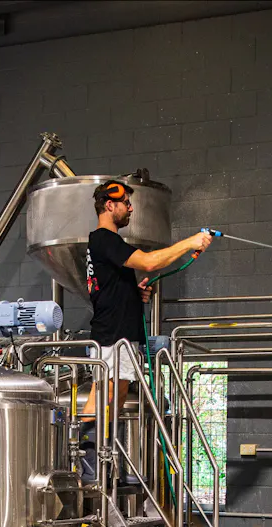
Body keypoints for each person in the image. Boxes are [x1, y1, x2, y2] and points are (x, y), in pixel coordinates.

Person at [80, 179, 213, 479]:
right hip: (112, 334)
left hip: (122, 333)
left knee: (118, 392)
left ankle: (102, 462)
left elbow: (109, 284)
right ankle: (89, 465)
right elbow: (150, 262)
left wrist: (134, 291)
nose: (130, 208)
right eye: (125, 203)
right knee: (106, 393)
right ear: (109, 205)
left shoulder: (109, 244)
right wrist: (189, 243)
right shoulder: (104, 238)